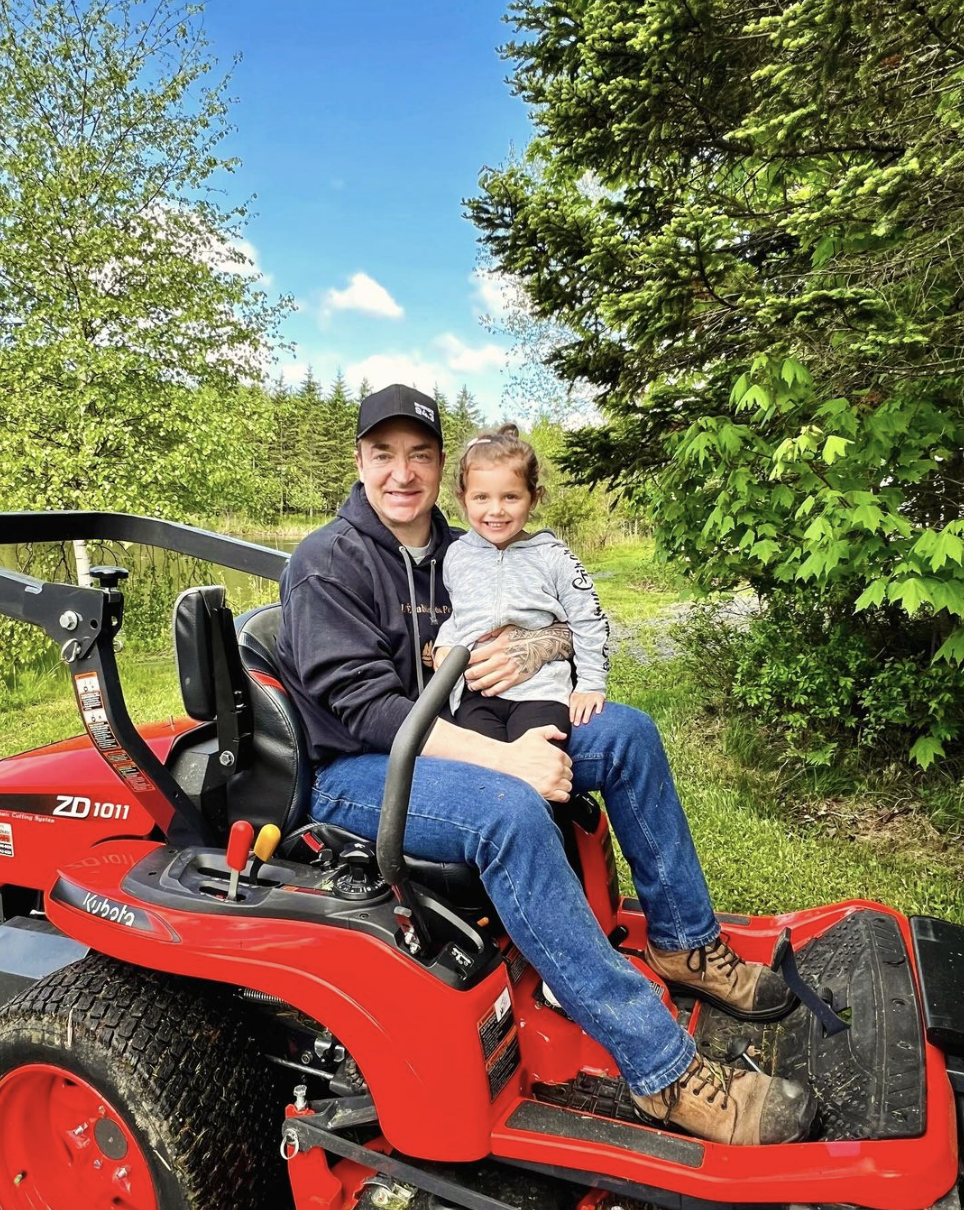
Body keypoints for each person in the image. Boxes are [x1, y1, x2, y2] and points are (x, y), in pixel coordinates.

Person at [276, 383, 816, 1147]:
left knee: (625, 733)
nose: (402, 474)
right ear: (359, 460)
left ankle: (684, 941)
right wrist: (506, 760)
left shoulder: (457, 547)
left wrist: (547, 648)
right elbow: (368, 712)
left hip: (466, 729)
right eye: (383, 455)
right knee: (508, 810)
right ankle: (662, 1071)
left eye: (420, 455)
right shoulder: (327, 562)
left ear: (441, 469)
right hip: (361, 771)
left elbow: (549, 620)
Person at [434, 424, 609, 746]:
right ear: (462, 498)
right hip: (477, 694)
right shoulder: (457, 555)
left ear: (534, 497)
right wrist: (444, 645)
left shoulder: (555, 557)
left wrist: (590, 683)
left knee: (540, 763)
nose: (496, 510)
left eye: (511, 496)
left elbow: (589, 620)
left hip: (541, 694)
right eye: (481, 497)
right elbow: (460, 616)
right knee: (487, 775)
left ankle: (559, 798)